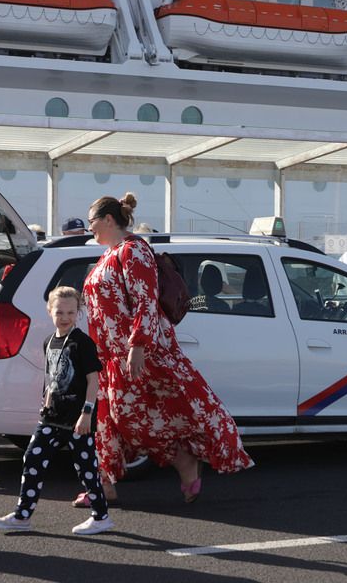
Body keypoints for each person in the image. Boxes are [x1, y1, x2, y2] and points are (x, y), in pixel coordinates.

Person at [81, 193, 252, 503]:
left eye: (91, 222)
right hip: (108, 356)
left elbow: (145, 301)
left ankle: (184, 462)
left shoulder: (134, 251)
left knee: (135, 420)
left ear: (107, 220)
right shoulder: (109, 254)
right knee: (111, 419)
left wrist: (138, 347)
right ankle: (102, 484)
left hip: (138, 353)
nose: (88, 228)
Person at [0, 287, 114, 536]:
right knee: (33, 459)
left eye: (70, 312)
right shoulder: (50, 341)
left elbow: (93, 380)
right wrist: (46, 399)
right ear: (50, 312)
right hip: (52, 417)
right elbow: (52, 375)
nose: (65, 317)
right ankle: (22, 515)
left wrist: (87, 413)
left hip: (77, 419)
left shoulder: (82, 342)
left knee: (86, 467)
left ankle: (101, 517)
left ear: (78, 313)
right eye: (59, 312)